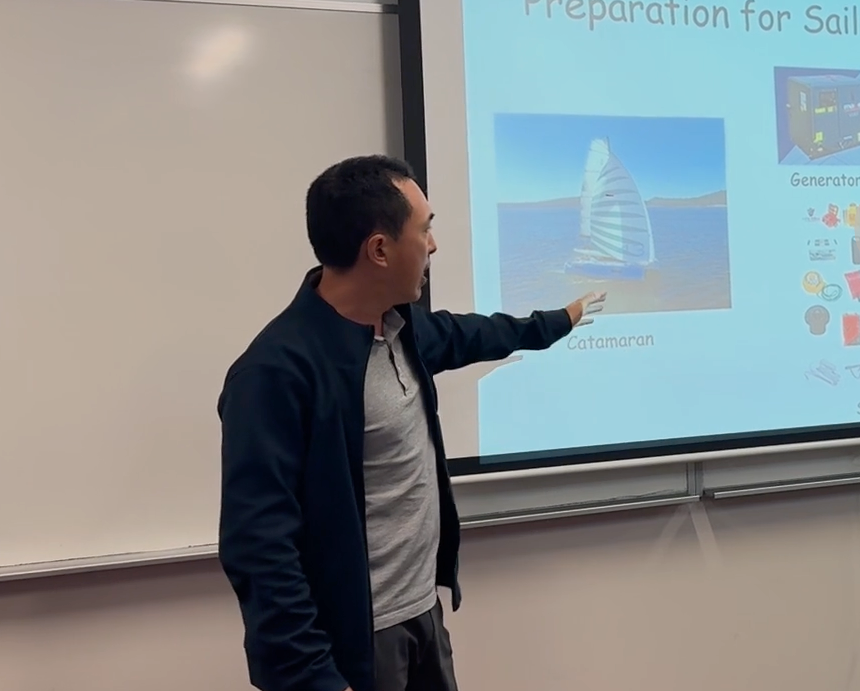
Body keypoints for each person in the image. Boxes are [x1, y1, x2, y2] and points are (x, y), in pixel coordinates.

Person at [218, 156, 605, 691]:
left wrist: (559, 321)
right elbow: (259, 546)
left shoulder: (402, 328)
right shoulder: (275, 373)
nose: (433, 245)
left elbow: (474, 334)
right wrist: (312, 677)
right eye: (425, 229)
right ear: (379, 250)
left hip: (421, 614)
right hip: (355, 643)